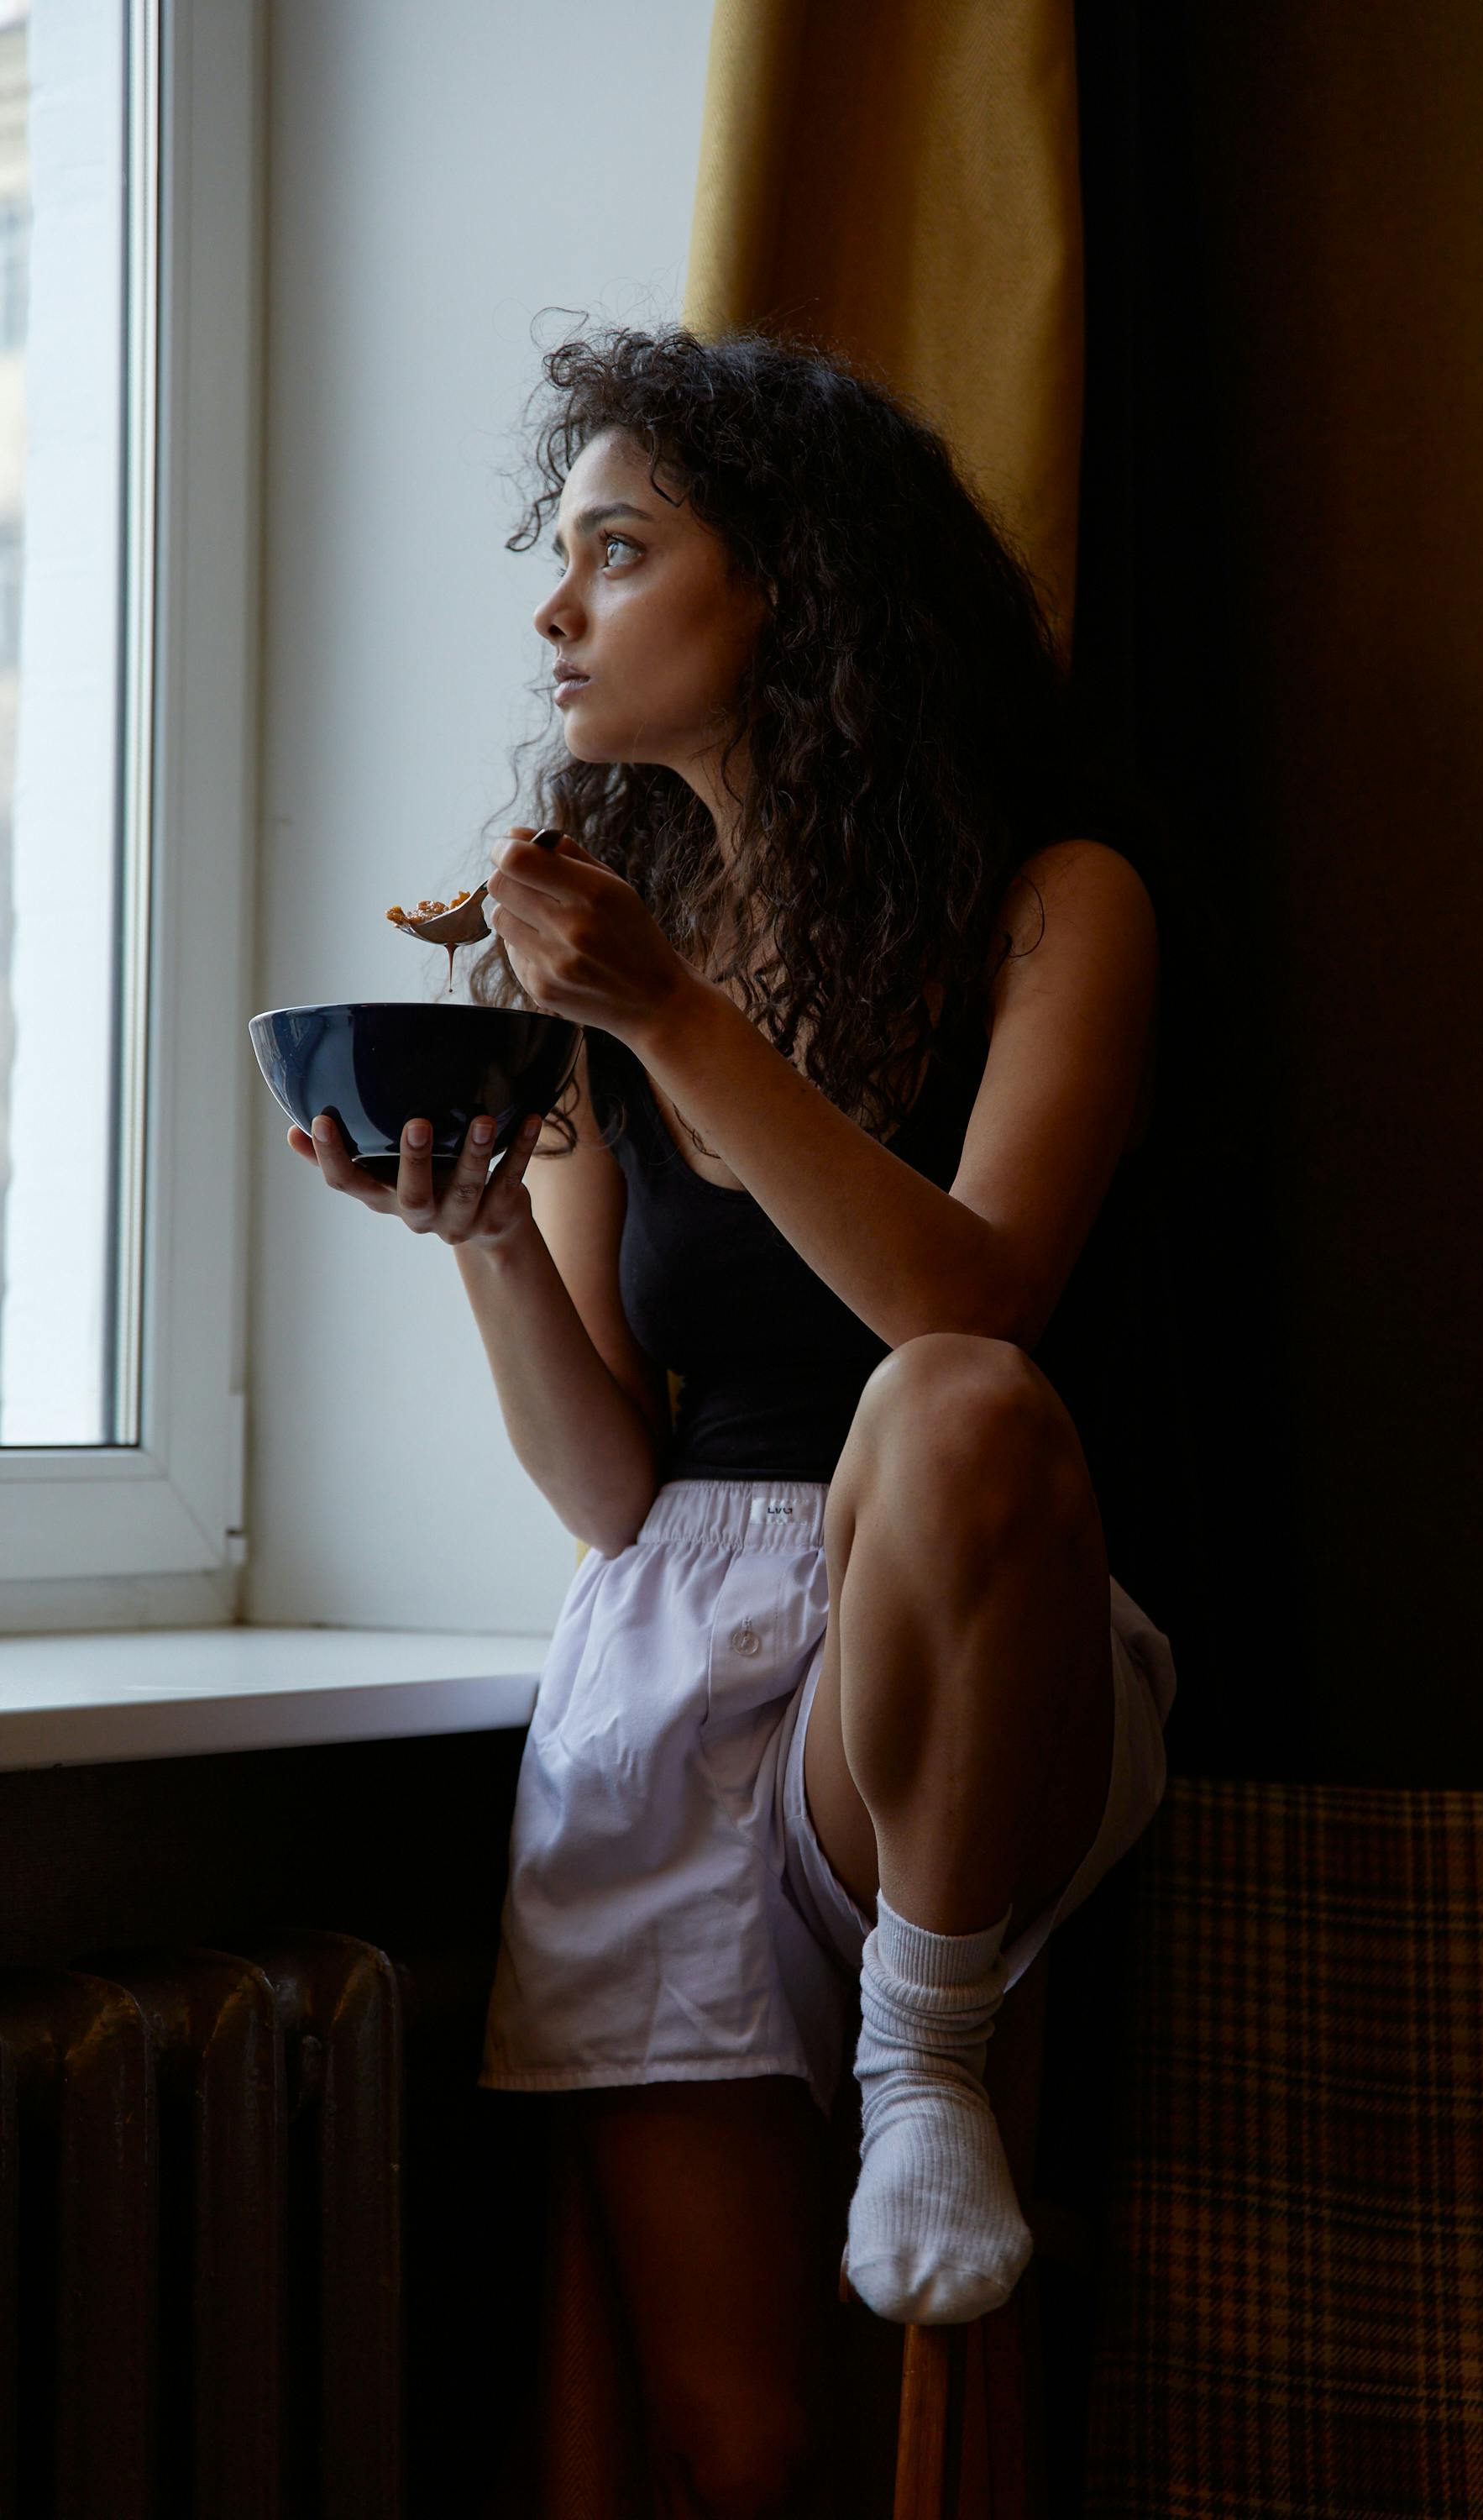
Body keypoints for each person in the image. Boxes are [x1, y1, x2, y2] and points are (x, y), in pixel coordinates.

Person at [286, 323, 1178, 2520]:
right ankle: (914, 2066)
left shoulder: (1054, 908)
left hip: (955, 1626)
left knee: (957, 1405)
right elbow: (608, 1480)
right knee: (743, 2446)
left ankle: (928, 2039)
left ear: (790, 586)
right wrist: (487, 1217)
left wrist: (670, 1017)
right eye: (558, 553)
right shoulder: (605, 972)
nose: (551, 607)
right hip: (682, 1645)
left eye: (618, 546)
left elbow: (972, 1302)